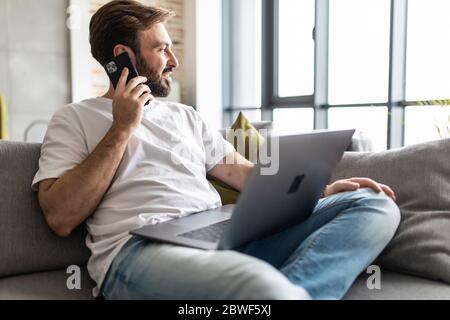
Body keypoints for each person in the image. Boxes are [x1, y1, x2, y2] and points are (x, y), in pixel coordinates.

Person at [32, 0, 400, 300]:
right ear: (122, 56)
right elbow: (61, 217)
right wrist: (123, 126)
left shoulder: (185, 116)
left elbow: (244, 175)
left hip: (225, 236)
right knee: (261, 287)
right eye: (162, 49)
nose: (174, 62)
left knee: (374, 205)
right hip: (140, 252)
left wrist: (319, 193)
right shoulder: (73, 118)